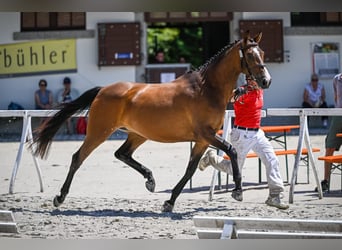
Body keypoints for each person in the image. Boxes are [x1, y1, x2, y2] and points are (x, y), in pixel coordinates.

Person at [198, 77, 289, 210]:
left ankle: (274, 195)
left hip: (257, 133)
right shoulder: (242, 92)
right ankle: (212, 158)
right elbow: (229, 98)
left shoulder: (260, 90)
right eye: (250, 79)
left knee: (272, 160)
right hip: (242, 135)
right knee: (233, 169)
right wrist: (235, 93)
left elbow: (267, 78)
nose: (253, 82)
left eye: (255, 79)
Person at [316, 72, 342, 192]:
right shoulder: (337, 78)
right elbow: (336, 97)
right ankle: (326, 181)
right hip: (338, 115)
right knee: (329, 146)